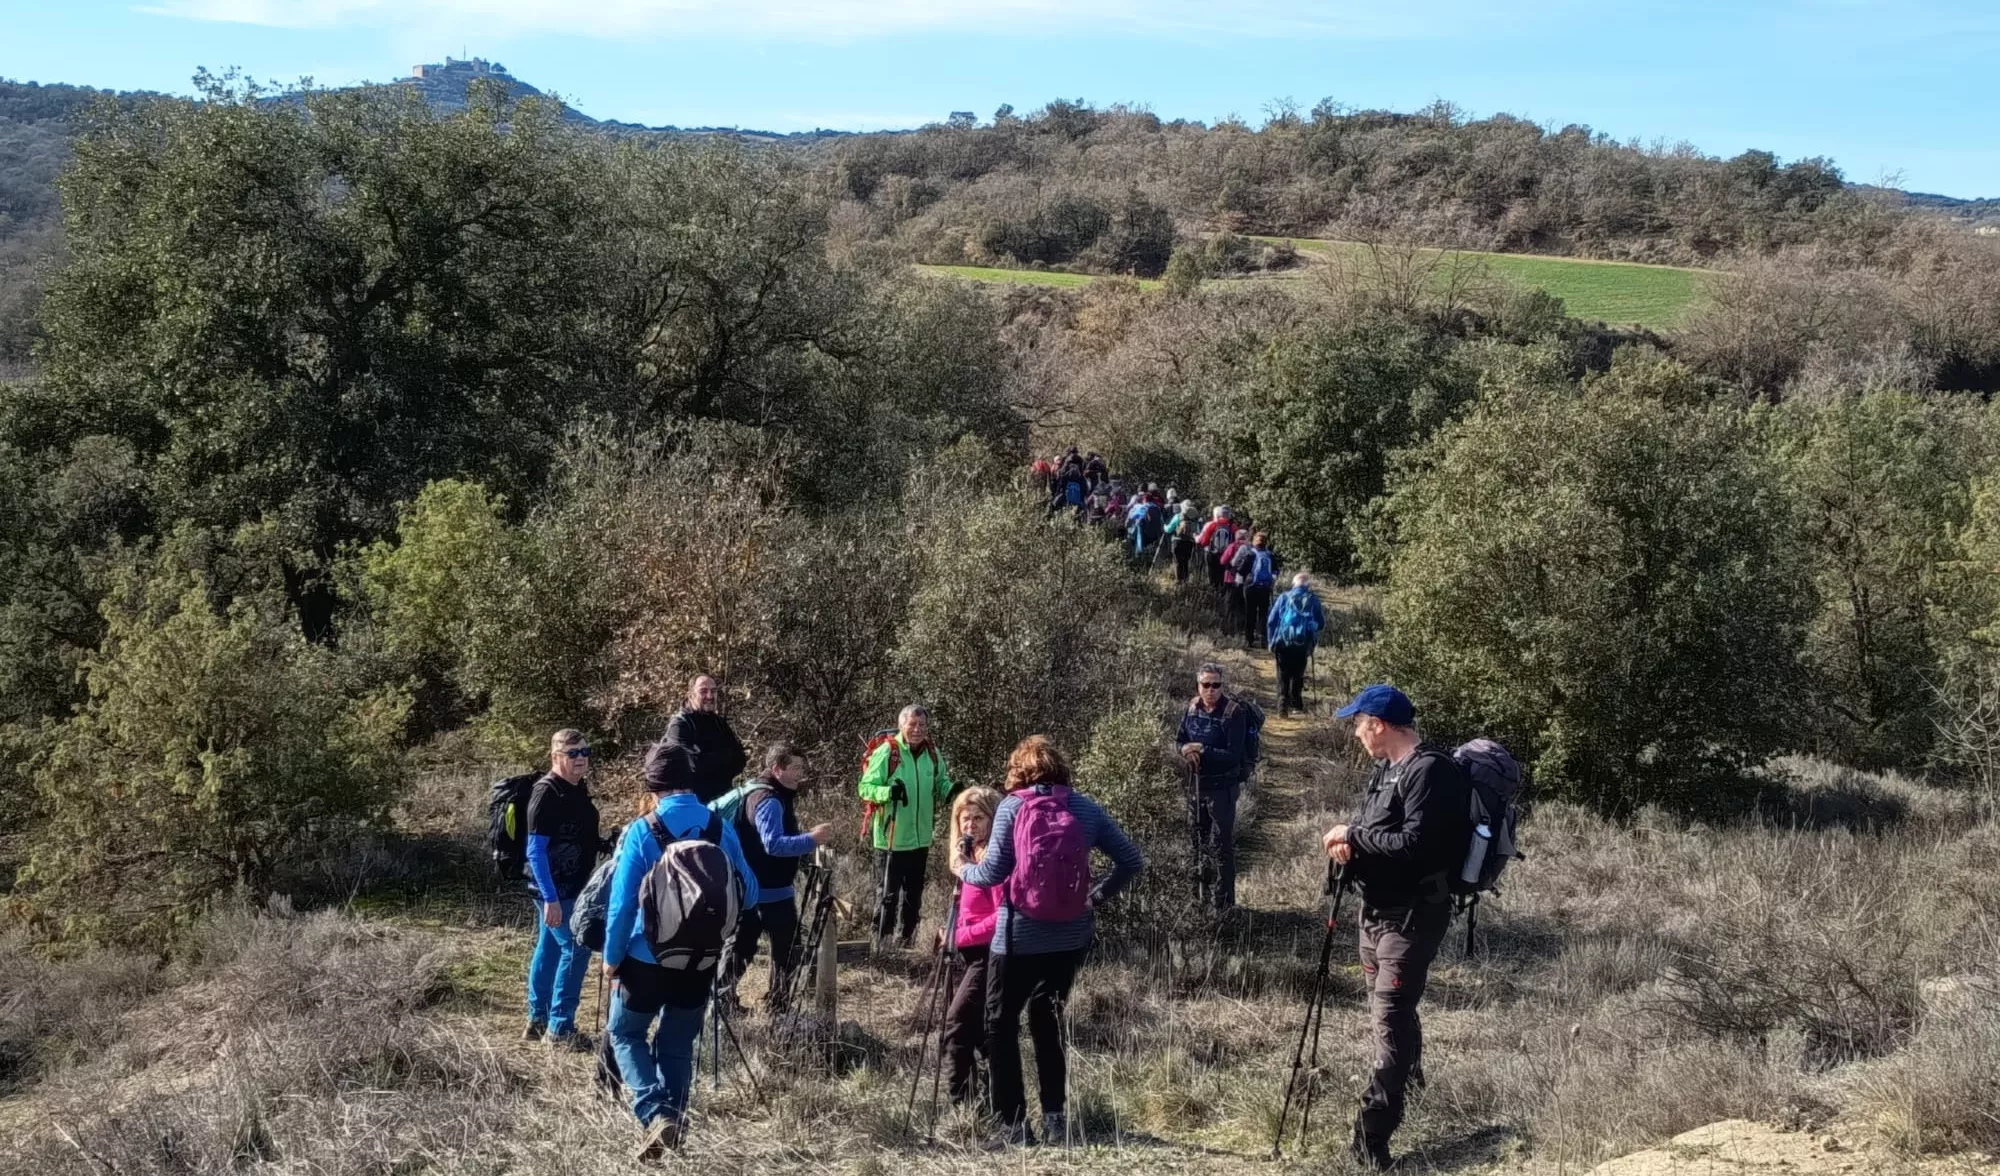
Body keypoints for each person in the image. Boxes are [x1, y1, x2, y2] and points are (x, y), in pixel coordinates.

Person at [957, 736, 1143, 1146]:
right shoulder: (1085, 807)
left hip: (1019, 935)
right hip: (1072, 935)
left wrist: (962, 867)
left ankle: (1014, 1126)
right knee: (1048, 1021)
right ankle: (1056, 1121)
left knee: (1000, 1024)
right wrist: (1095, 896)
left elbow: (990, 874)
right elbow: (1132, 861)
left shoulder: (1012, 808)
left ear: (1020, 773)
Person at [1322, 685, 1471, 1171]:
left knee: (1389, 1017)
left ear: (1379, 724)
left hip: (1411, 916)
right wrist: (1352, 846)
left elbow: (1417, 846)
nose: (1356, 732)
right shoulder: (1386, 771)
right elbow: (1379, 835)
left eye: (1358, 722)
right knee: (1394, 1012)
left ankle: (1370, 1143)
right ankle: (1412, 1086)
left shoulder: (1430, 772)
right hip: (1376, 912)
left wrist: (1355, 835)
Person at [603, 744, 761, 1159]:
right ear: (691, 782)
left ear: (652, 785)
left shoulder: (643, 829)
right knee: (675, 1045)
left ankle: (656, 1114)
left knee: (625, 1033)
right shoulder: (717, 826)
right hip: (702, 959)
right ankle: (675, 1130)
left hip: (645, 958)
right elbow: (750, 893)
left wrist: (611, 956)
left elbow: (621, 906)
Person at [717, 744, 832, 1015]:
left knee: (745, 947)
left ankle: (725, 1002)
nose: (800, 774)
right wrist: (811, 840)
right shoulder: (768, 800)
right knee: (783, 950)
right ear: (776, 768)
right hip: (768, 891)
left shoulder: (760, 791)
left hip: (754, 888)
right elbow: (774, 845)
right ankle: (775, 1006)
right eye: (795, 768)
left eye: (802, 768)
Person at [523, 728, 602, 1049]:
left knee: (551, 946)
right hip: (556, 888)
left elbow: (576, 834)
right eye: (573, 753)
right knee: (576, 947)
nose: (581, 758)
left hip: (572, 884)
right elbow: (535, 851)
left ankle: (538, 1019)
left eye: (585, 752)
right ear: (556, 757)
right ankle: (560, 1028)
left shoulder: (577, 788)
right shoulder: (546, 793)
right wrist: (550, 898)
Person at [857, 704, 955, 947]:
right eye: (912, 724)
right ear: (902, 725)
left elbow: (940, 781)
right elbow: (865, 788)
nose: (918, 729)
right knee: (887, 897)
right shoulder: (888, 752)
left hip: (920, 838)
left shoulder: (932, 753)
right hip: (891, 838)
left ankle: (906, 943)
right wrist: (888, 792)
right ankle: (881, 945)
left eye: (922, 725)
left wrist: (952, 791)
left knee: (913, 897)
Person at [941, 786, 1003, 1107]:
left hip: (992, 956)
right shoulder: (970, 857)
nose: (971, 825)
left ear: (995, 820)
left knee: (957, 1023)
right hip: (971, 954)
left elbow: (1003, 917)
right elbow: (970, 910)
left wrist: (960, 937)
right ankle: (994, 1104)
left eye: (979, 818)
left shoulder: (996, 859)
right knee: (980, 1032)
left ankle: (961, 1106)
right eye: (965, 819)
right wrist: (950, 931)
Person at [1176, 663, 1249, 910]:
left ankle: (1224, 905)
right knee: (1197, 842)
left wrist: (1203, 750)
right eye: (1206, 685)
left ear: (1222, 686)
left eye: (1216, 685)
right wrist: (1186, 751)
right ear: (1198, 686)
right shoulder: (1192, 708)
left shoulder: (1233, 712)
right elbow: (1181, 739)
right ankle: (1198, 900)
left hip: (1223, 789)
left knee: (1221, 845)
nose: (1211, 690)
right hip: (1196, 786)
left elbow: (1233, 754)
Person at [644, 674, 748, 805]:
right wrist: (723, 759)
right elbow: (684, 767)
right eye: (703, 691)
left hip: (723, 803)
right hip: (694, 805)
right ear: (691, 695)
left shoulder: (719, 723)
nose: (710, 696)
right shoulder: (680, 725)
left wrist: (704, 758)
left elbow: (740, 760)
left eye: (713, 691)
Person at [1268, 572, 1328, 716]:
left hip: (1283, 642)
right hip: (1303, 643)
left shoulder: (1284, 597)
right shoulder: (1313, 600)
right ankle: (1296, 705)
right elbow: (1321, 623)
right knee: (1298, 673)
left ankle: (1282, 706)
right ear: (1307, 585)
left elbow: (1271, 621)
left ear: (1293, 584)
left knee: (1282, 674)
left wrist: (1271, 641)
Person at [1240, 532, 1278, 649]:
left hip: (1250, 587)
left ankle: (1249, 639)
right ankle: (1263, 640)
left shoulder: (1250, 554)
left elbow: (1242, 570)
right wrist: (1271, 581)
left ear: (1254, 541)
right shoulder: (1270, 555)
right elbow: (1276, 571)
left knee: (1250, 613)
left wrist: (1240, 581)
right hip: (1265, 588)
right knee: (1263, 614)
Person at [1195, 507, 1236, 607]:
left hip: (1211, 555)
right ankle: (1222, 601)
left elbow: (1204, 542)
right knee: (1222, 578)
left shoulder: (1212, 525)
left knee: (1212, 578)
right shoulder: (1232, 527)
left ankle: (1213, 600)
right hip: (1226, 557)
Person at [1219, 528, 1252, 636]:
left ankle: (1228, 629)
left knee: (1229, 605)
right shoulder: (1250, 548)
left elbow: (1223, 561)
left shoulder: (1233, 546)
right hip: (1246, 580)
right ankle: (1241, 629)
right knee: (1242, 606)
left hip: (1230, 579)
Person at [1166, 501, 1199, 584]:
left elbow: (1169, 529)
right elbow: (1197, 531)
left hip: (1177, 541)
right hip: (1189, 543)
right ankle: (1186, 582)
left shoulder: (1178, 517)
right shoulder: (1194, 519)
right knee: (1185, 563)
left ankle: (1178, 582)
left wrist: (1164, 526)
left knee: (1177, 562)